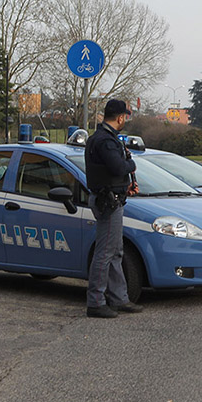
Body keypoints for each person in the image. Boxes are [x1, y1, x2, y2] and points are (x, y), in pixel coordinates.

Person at [84, 99, 143, 318]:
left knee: (116, 251)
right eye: (125, 117)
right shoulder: (106, 141)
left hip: (110, 198)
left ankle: (119, 298)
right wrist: (132, 164)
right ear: (120, 117)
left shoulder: (100, 138)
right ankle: (96, 302)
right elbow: (118, 167)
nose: (125, 120)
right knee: (105, 253)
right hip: (108, 201)